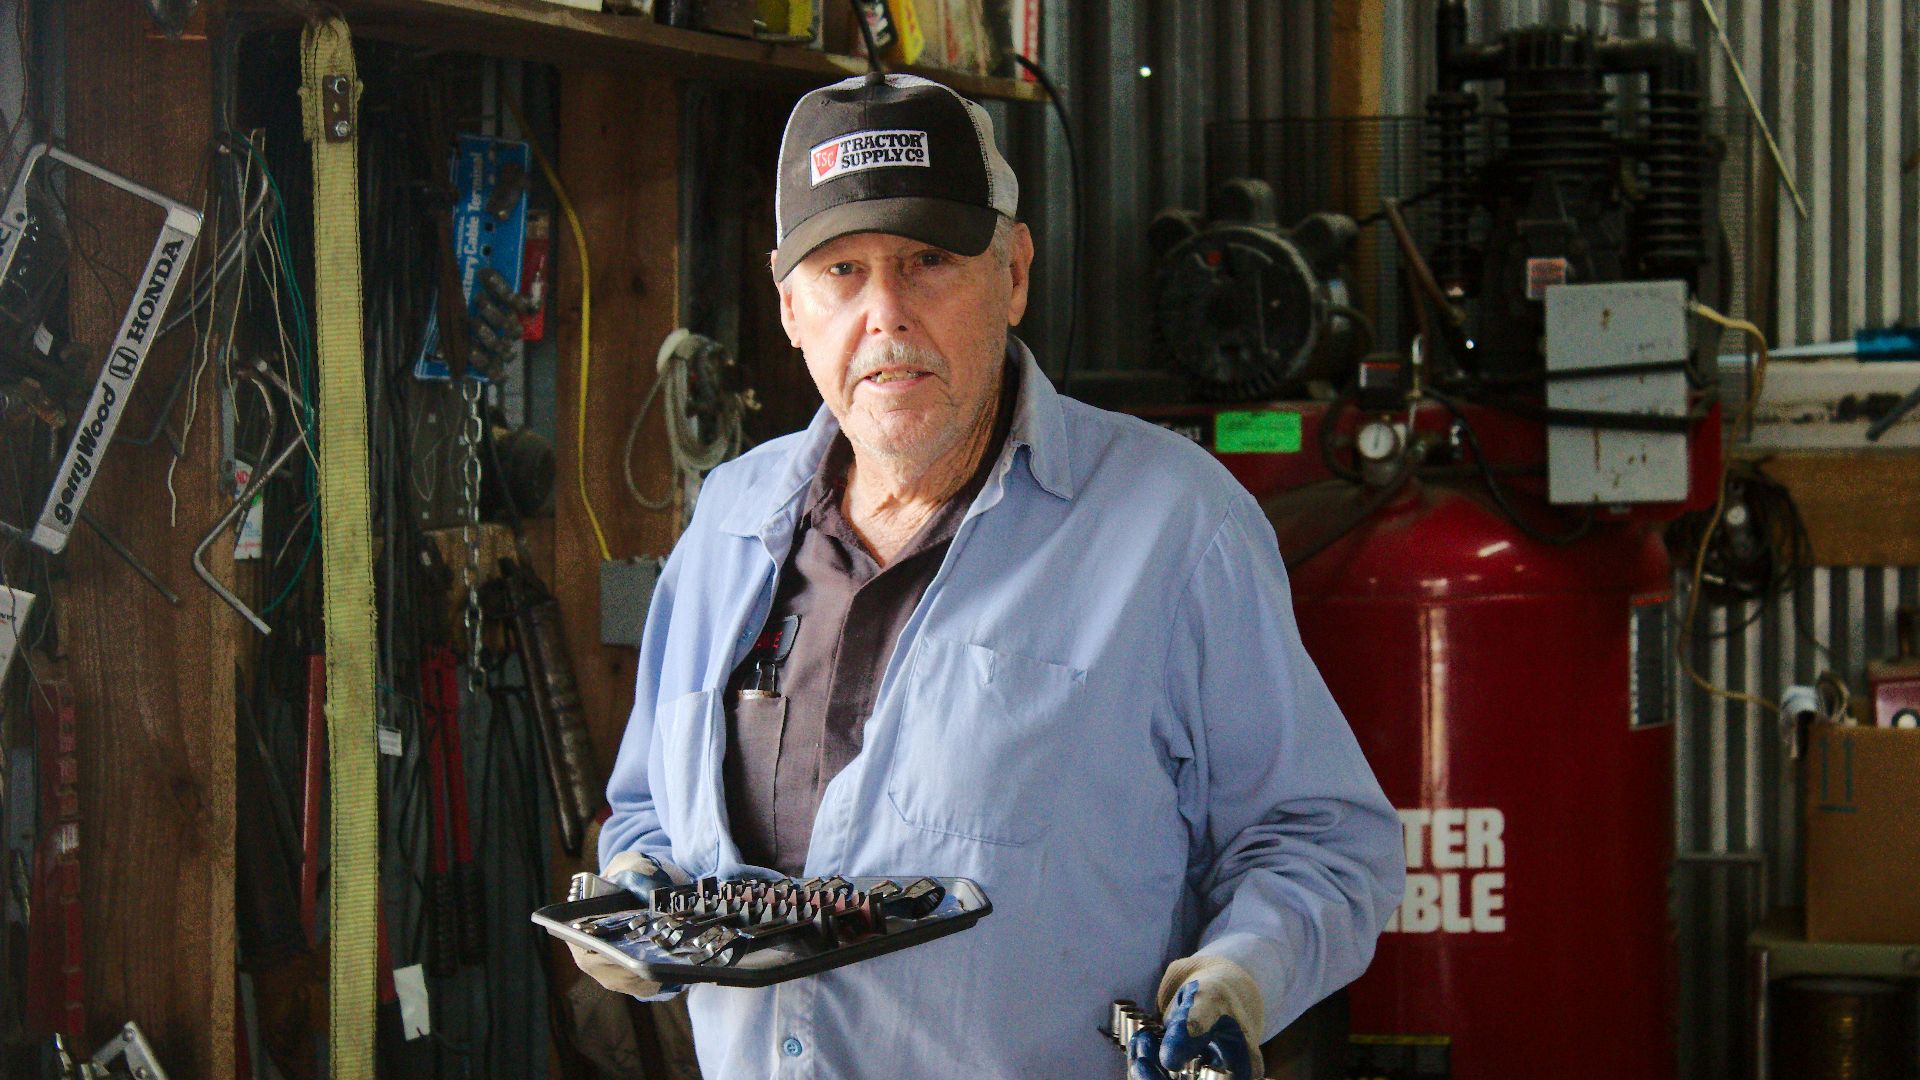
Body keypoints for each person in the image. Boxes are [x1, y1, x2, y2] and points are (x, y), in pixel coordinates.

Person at [576, 71, 1404, 1079]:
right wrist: (639, 888)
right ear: (789, 306)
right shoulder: (728, 523)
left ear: (1011, 273)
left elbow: (1321, 840)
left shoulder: (1178, 529)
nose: (885, 315)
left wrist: (1242, 974)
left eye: (928, 260)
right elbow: (648, 805)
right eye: (842, 272)